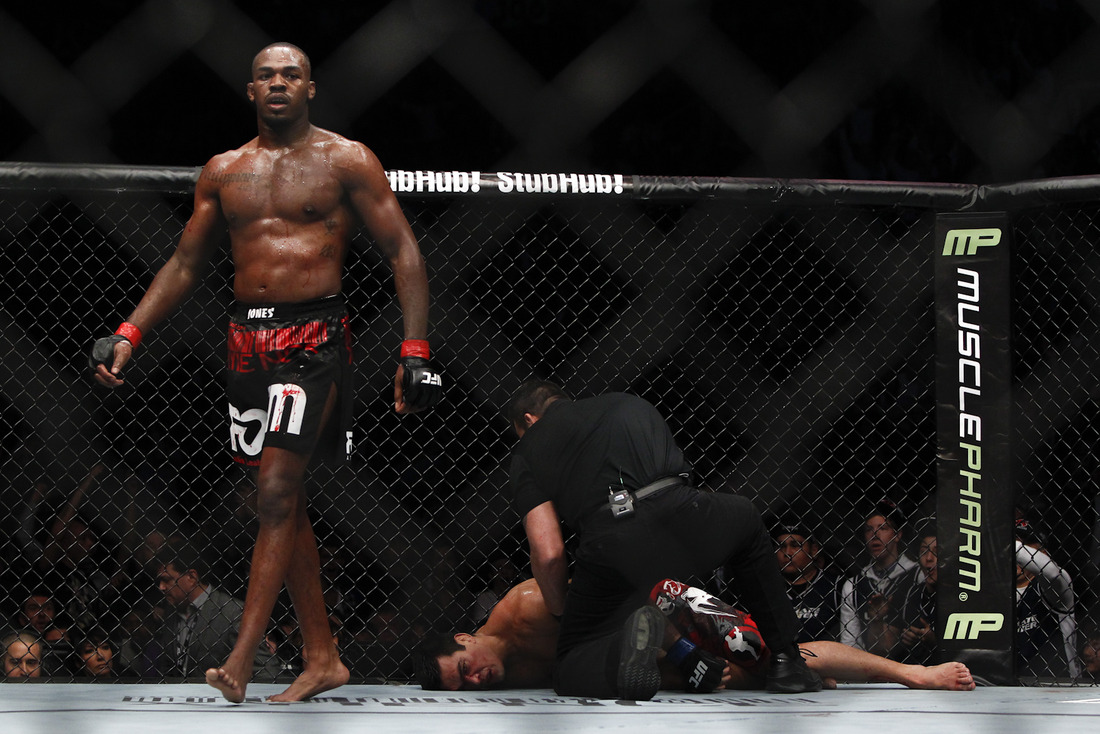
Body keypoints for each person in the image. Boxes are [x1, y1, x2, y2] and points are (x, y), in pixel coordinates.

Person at [89, 42, 442, 702]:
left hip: (316, 338)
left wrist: (414, 350)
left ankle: (243, 655)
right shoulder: (225, 171)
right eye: (266, 75)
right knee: (285, 502)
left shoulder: (347, 159)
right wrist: (130, 333)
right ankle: (322, 656)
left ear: (310, 88)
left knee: (275, 491)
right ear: (251, 91)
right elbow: (185, 263)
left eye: (291, 74)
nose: (279, 83)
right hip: (247, 342)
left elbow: (403, 249)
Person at [503, 380, 821, 700]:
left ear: (529, 420)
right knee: (746, 519)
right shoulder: (625, 402)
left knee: (570, 666)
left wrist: (562, 613)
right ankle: (786, 660)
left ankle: (620, 654)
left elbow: (548, 552)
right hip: (685, 513)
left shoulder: (531, 446)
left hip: (613, 541)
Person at [412, 578, 975, 692]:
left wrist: (684, 651)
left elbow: (630, 604)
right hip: (640, 658)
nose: (477, 681)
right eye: (465, 687)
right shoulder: (501, 674)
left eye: (465, 670)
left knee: (772, 657)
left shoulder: (528, 606)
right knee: (749, 678)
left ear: (465, 638)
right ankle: (791, 678)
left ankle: (912, 673)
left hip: (664, 609)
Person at [153, 544, 282, 681]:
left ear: (191, 577)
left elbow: (267, 671)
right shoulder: (171, 612)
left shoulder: (232, 612)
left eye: (166, 580)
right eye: (159, 581)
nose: (161, 587)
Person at [839, 501, 917, 654]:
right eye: (869, 530)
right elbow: (850, 645)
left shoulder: (917, 575)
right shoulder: (853, 585)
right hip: (868, 664)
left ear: (897, 535)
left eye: (883, 528)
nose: (875, 535)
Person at [772, 523, 842, 642]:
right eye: (781, 546)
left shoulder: (835, 586)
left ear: (814, 550)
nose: (787, 552)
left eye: (795, 545)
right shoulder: (768, 588)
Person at [887, 524, 939, 665]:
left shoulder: (960, 597)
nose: (929, 558)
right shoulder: (908, 593)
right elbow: (884, 647)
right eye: (924, 551)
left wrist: (934, 640)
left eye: (937, 552)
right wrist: (877, 619)